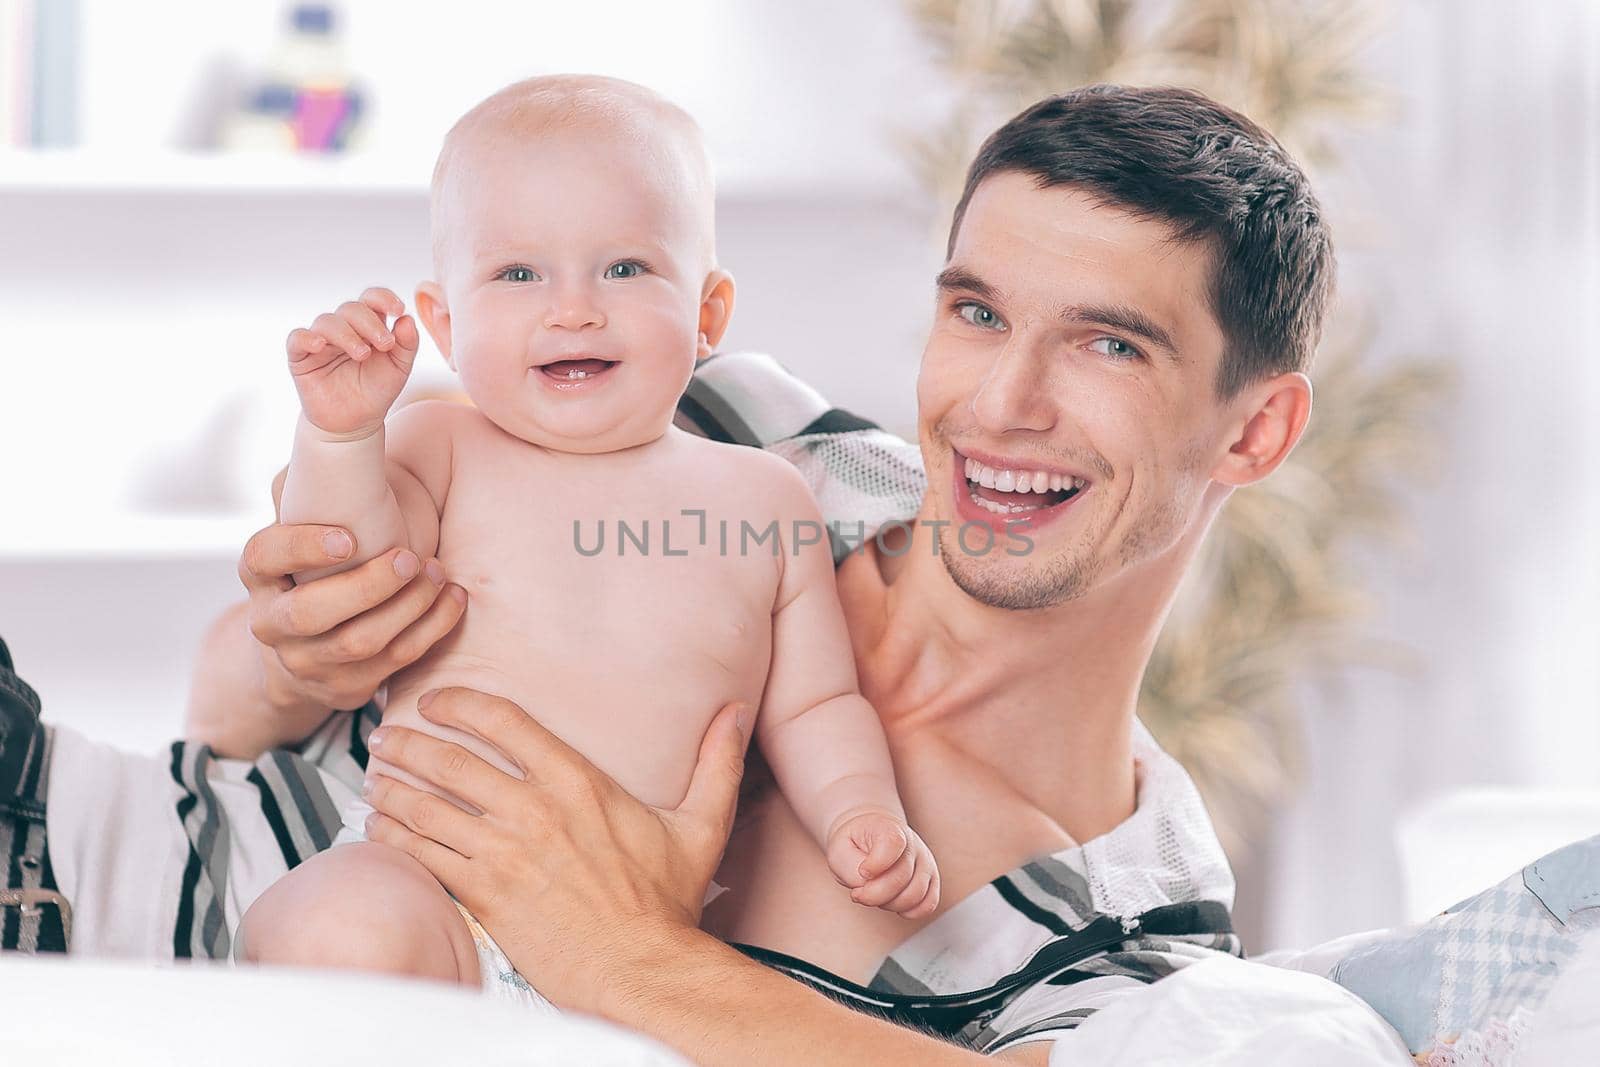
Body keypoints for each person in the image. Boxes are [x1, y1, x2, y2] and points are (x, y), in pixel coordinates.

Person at [8, 85, 1395, 1062]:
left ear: (1256, 427)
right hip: (63, 826)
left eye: (1109, 345)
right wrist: (294, 650)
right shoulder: (730, 428)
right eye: (975, 312)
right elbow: (229, 692)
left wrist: (623, 951)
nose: (1003, 401)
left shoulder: (1118, 921)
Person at [234, 74, 937, 1006]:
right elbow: (350, 566)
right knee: (328, 923)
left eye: (624, 268)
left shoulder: (765, 497)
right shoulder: (441, 448)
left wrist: (862, 812)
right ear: (443, 321)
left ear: (708, 313)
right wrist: (339, 435)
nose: (572, 308)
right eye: (519, 274)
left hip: (633, 934)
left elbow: (814, 706)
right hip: (428, 892)